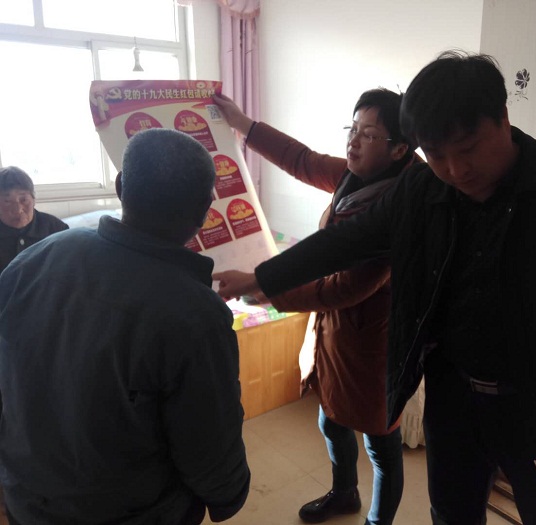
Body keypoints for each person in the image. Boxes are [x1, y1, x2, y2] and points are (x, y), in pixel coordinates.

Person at [213, 51, 536, 525]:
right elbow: (349, 240)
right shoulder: (422, 189)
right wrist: (264, 278)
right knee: (450, 515)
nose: (456, 170)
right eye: (437, 155)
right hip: (454, 400)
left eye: (468, 148)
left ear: (503, 117)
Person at [0, 128, 250, 525]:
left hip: (27, 501)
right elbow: (208, 446)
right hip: (131, 512)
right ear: (206, 209)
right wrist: (228, 496)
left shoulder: (35, 259)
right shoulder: (196, 315)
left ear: (120, 187)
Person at [213, 88, 420, 525]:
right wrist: (243, 124)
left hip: (375, 342)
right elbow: (301, 159)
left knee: (381, 444)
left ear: (400, 149)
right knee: (330, 419)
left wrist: (269, 293)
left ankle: (378, 522)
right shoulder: (351, 175)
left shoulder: (400, 206)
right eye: (353, 128)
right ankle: (344, 494)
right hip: (334, 332)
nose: (353, 141)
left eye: (368, 134)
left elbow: (343, 290)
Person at [0, 166, 68, 274]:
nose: (18, 209)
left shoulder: (57, 229)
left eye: (24, 200)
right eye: (7, 201)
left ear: (33, 199)